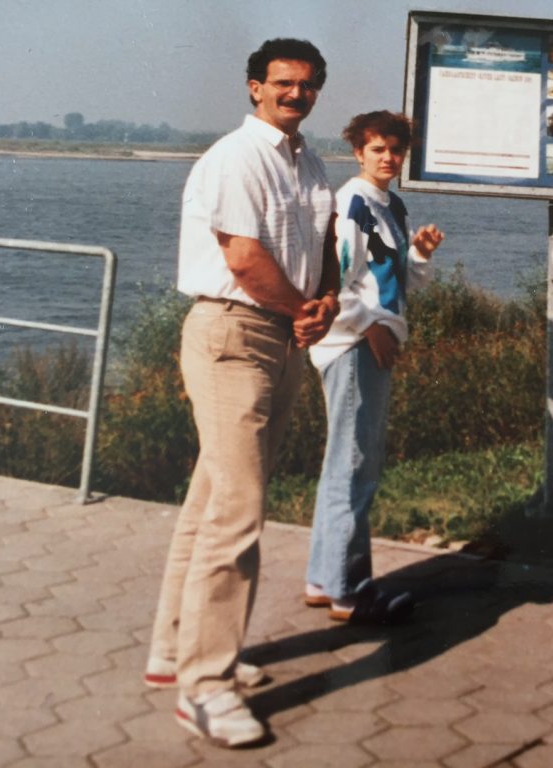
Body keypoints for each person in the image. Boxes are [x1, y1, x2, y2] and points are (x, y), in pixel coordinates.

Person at [143, 38, 338, 748]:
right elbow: (244, 258)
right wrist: (301, 308)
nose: (296, 94)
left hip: (284, 333)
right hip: (234, 333)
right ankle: (206, 688)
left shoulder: (307, 161)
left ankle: (172, 653)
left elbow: (325, 244)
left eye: (308, 85)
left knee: (211, 498)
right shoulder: (236, 156)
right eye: (283, 83)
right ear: (255, 88)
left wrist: (324, 301)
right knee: (239, 511)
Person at [303, 111, 444, 623]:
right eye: (377, 149)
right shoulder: (354, 202)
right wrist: (369, 327)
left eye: (396, 150)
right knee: (354, 465)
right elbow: (333, 278)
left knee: (345, 461)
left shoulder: (391, 205)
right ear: (358, 152)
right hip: (351, 345)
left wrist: (421, 256)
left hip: (370, 337)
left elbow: (395, 281)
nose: (388, 158)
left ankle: (324, 579)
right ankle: (349, 590)